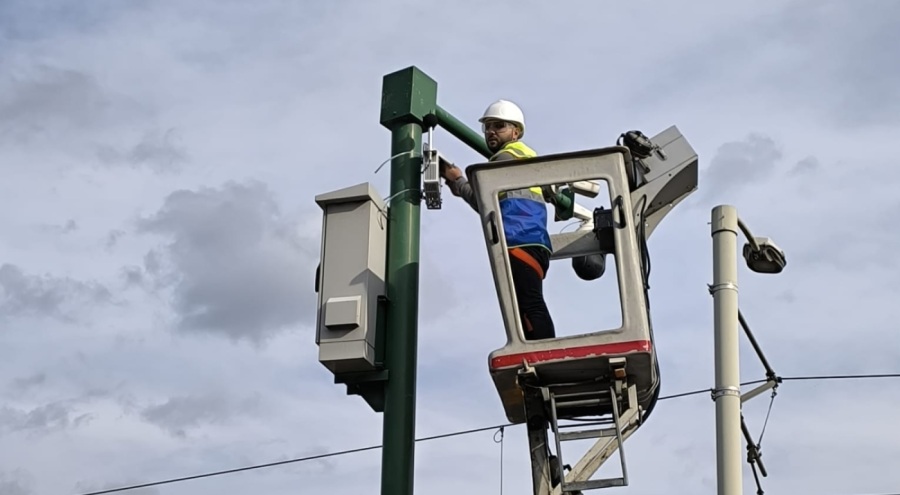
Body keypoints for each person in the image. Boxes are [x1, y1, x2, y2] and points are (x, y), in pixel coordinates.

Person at [440, 99, 559, 341]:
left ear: (515, 132)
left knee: (529, 304)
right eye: (488, 127)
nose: (491, 131)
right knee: (526, 305)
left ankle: (543, 350)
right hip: (531, 239)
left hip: (519, 238)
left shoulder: (507, 158)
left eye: (499, 126)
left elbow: (484, 201)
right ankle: (535, 348)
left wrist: (458, 180)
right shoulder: (527, 158)